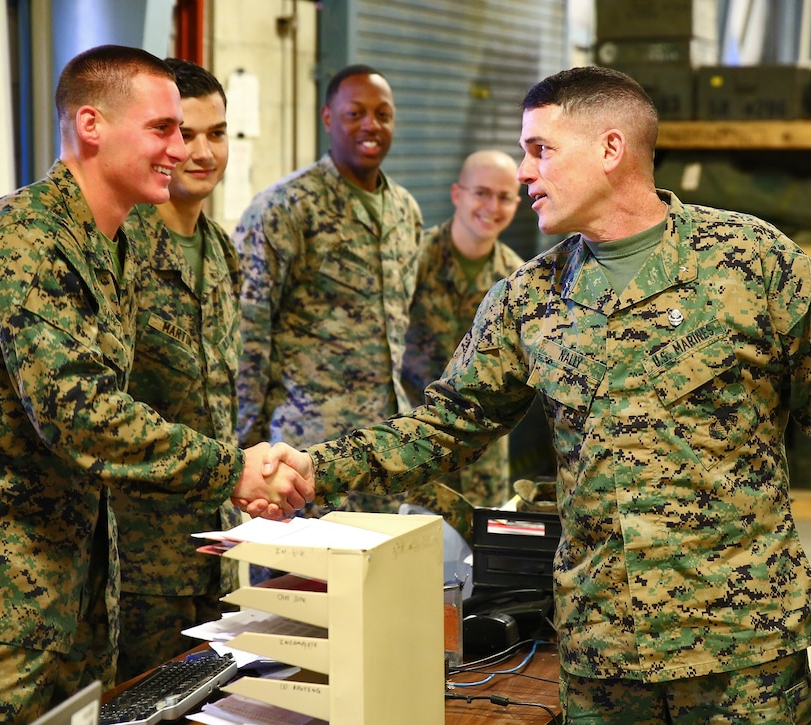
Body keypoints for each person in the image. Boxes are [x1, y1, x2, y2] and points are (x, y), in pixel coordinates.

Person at [251, 66, 811, 723]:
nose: (524, 171)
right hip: (602, 655)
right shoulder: (528, 297)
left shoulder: (752, 261)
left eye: (541, 149)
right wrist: (315, 466)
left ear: (610, 148)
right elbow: (445, 426)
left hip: (742, 653)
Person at [0, 45, 311, 724]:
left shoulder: (106, 243)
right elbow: (77, 412)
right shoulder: (25, 235)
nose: (182, 149)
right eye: (162, 129)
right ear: (91, 126)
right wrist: (234, 468)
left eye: (195, 130)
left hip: (70, 597)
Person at [232, 64, 423, 514]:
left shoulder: (405, 211)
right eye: (355, 113)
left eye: (383, 114)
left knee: (381, 579)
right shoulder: (285, 208)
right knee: (298, 582)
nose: (370, 125)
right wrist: (245, 446)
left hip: (383, 451)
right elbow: (247, 333)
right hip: (300, 454)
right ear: (327, 119)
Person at [112, 57, 246, 681]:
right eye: (184, 134)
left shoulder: (221, 251)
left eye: (215, 134)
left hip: (213, 545)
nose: (201, 152)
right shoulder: (119, 246)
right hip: (134, 557)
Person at [401, 149, 524, 509]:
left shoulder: (516, 280)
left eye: (504, 197)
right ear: (457, 194)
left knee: (475, 560)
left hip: (480, 459)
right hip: (412, 446)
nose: (492, 206)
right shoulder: (414, 260)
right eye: (481, 193)